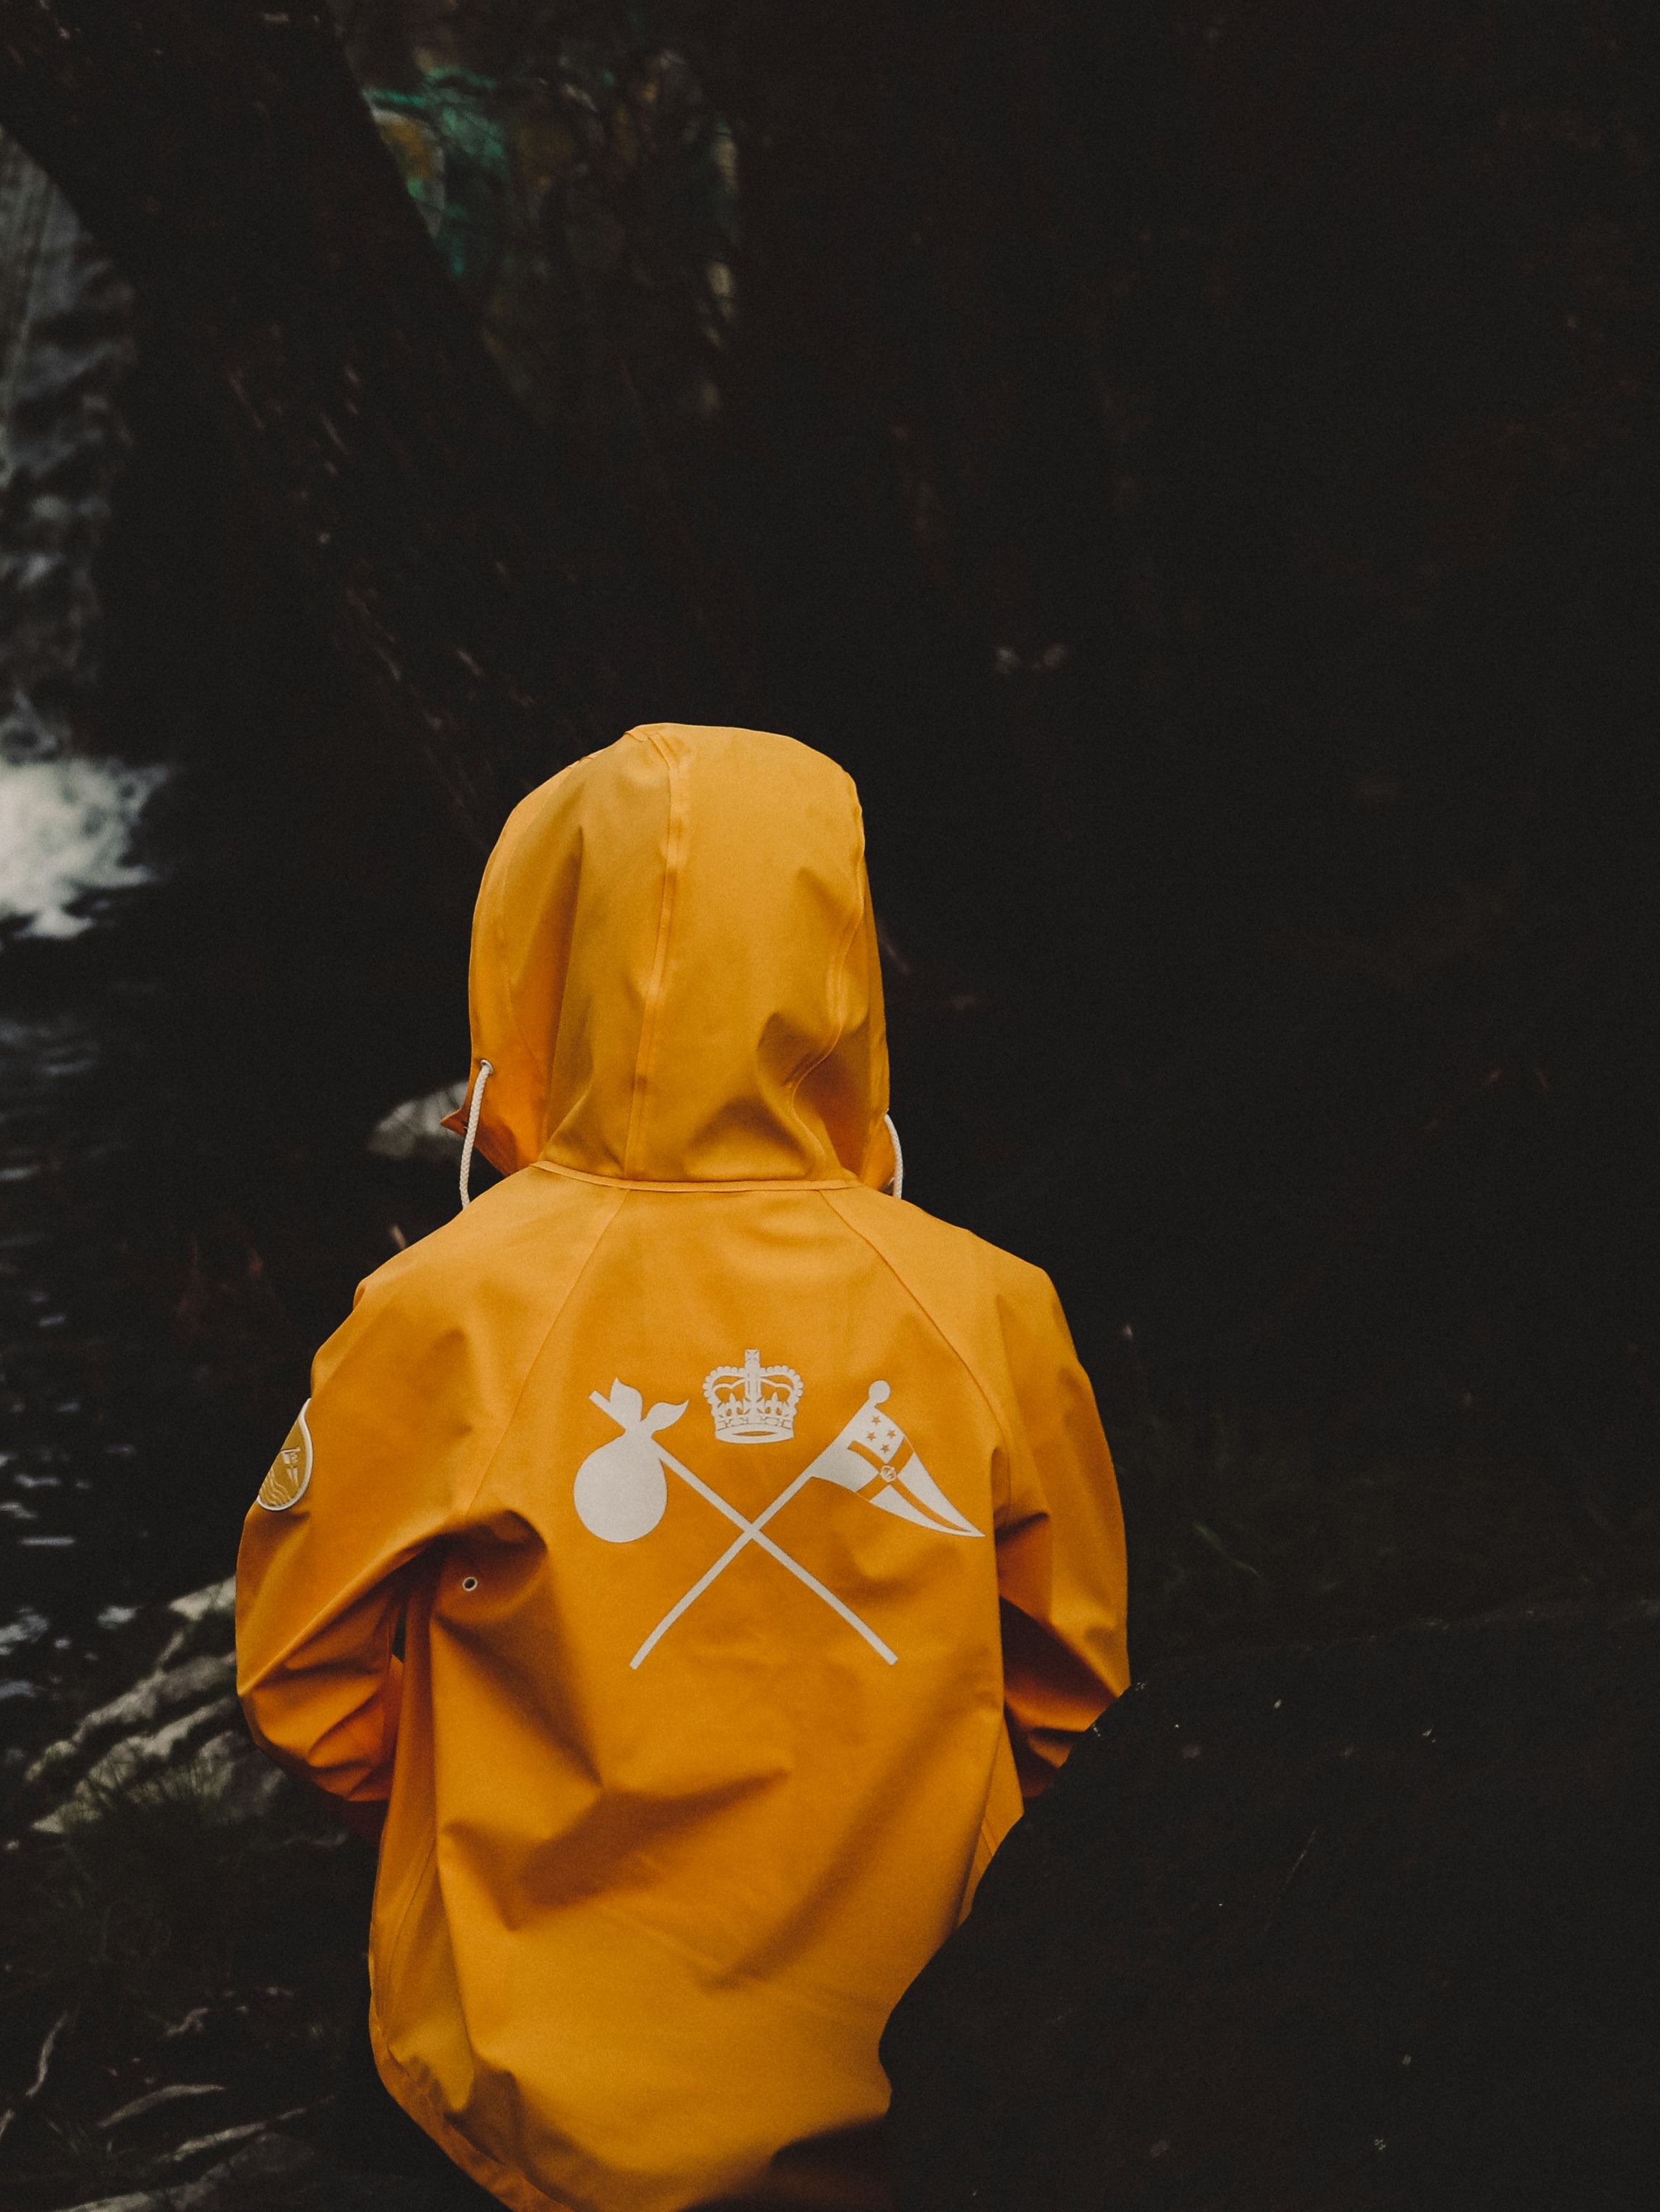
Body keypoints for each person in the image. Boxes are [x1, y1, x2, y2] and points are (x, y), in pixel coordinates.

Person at [235, 725, 1131, 2212]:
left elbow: (303, 1682)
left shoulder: (445, 1310)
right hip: (899, 2076)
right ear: (839, 958)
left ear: (535, 952)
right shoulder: (987, 1309)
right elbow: (1071, 1686)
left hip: (515, 2088)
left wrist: (487, 1819)